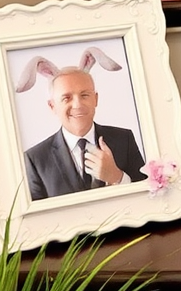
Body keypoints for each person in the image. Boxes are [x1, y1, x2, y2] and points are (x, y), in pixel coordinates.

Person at [24, 68, 146, 201]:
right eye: (66, 98)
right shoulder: (35, 159)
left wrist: (117, 177)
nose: (77, 105)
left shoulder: (124, 139)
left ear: (96, 99)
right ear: (52, 106)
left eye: (84, 95)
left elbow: (148, 196)